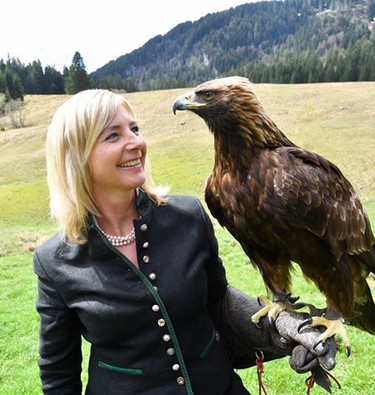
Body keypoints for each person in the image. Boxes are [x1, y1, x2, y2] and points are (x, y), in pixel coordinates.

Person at [33, 89, 336, 395]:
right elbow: (59, 373)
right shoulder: (54, 261)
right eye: (113, 135)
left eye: (135, 129)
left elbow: (218, 302)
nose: (136, 142)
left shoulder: (188, 216)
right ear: (77, 156)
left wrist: (280, 329)